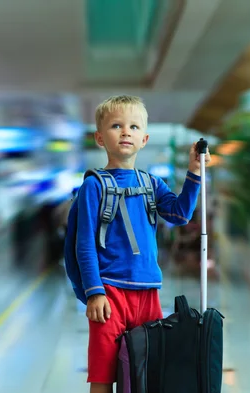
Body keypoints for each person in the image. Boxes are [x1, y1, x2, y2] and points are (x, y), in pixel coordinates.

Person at [76, 95, 210, 393]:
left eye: (134, 126)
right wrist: (94, 292)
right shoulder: (93, 186)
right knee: (103, 372)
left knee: (148, 370)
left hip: (147, 293)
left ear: (144, 138)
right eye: (116, 125)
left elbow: (178, 214)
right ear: (100, 137)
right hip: (109, 293)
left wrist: (194, 172)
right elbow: (83, 243)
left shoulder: (151, 184)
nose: (126, 132)